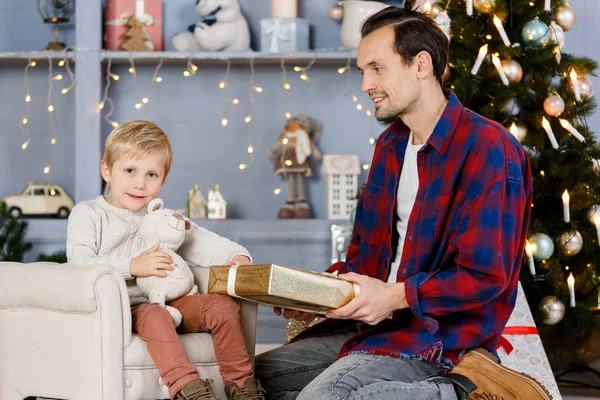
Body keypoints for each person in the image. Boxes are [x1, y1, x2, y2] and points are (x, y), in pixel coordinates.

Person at [255, 3, 548, 400]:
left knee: (324, 397)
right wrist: (315, 295)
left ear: (421, 65)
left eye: (377, 69)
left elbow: (485, 277)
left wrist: (396, 296)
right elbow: (364, 259)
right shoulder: (390, 145)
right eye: (363, 71)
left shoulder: (489, 148)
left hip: (441, 340)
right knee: (248, 378)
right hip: (374, 328)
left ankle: (458, 389)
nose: (365, 85)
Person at [66, 120, 265, 400]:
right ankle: (189, 389)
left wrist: (237, 256)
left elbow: (203, 242)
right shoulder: (88, 213)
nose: (140, 183)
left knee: (221, 307)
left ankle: (242, 387)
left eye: (151, 174)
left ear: (164, 178)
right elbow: (79, 264)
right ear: (107, 170)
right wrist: (132, 266)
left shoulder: (162, 218)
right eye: (130, 171)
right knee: (155, 315)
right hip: (128, 308)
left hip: (175, 300)